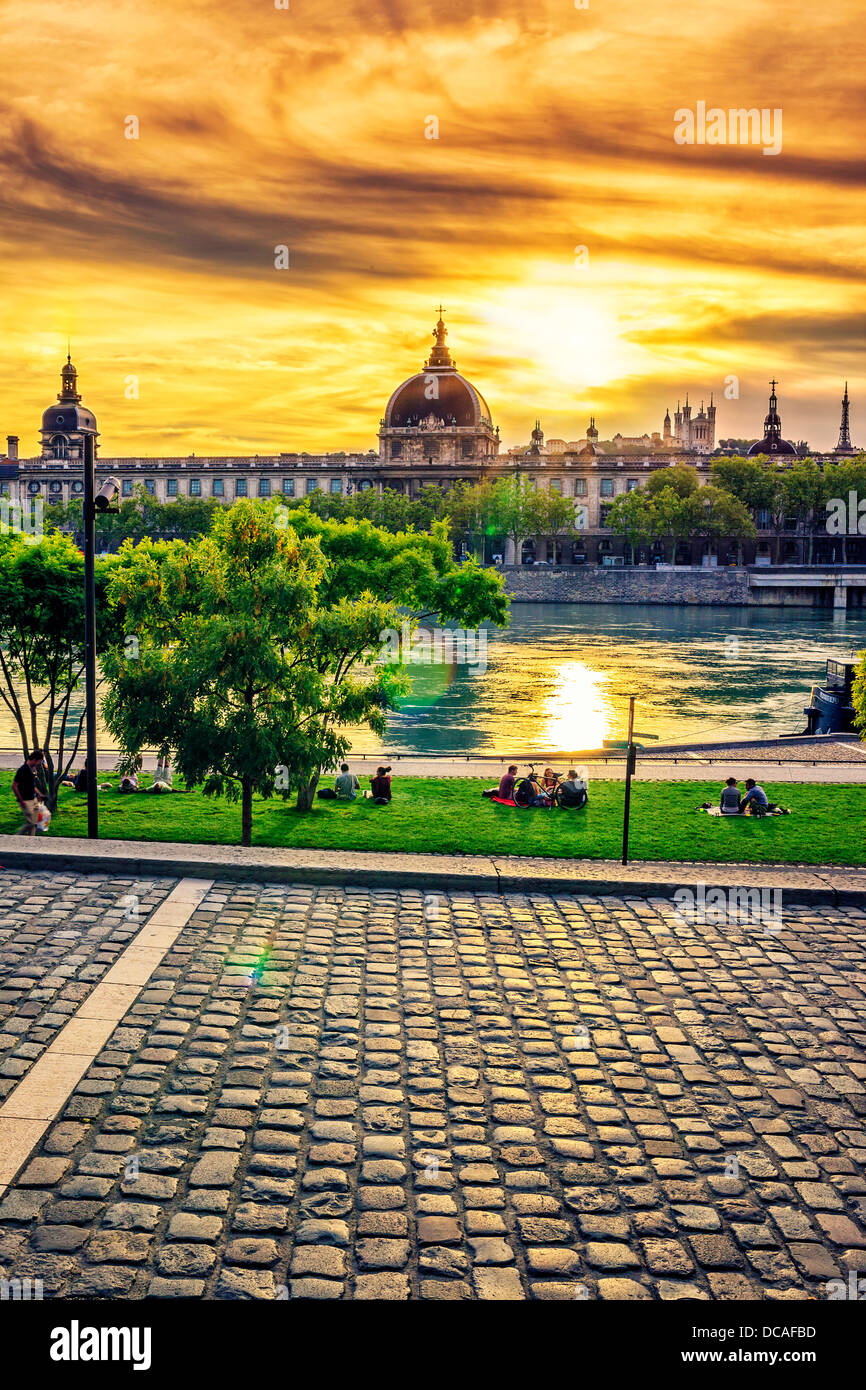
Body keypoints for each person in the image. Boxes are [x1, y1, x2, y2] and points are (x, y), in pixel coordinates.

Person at [12, 749, 46, 836]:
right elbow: (14, 786)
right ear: (34, 760)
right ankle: (15, 838)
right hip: (25, 800)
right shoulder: (22, 770)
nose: (39, 764)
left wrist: (39, 794)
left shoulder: (32, 769)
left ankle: (31, 841)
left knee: (34, 823)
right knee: (32, 822)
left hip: (33, 798)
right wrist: (21, 800)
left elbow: (32, 785)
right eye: (39, 761)